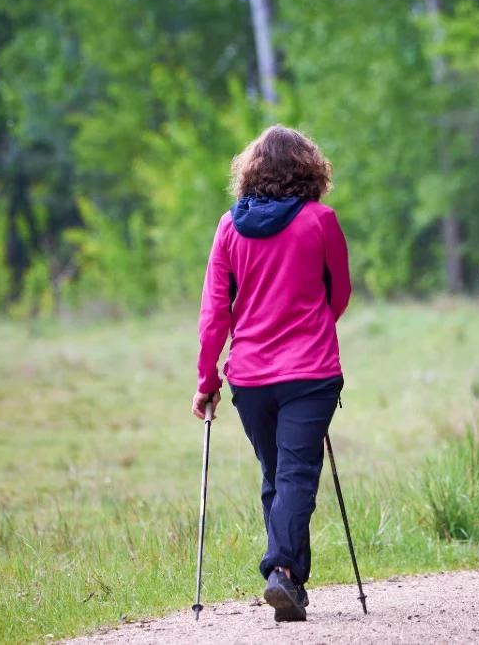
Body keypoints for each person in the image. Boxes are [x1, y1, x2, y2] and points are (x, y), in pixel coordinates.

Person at [192, 124, 351, 622]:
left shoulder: (227, 228)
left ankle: (289, 587)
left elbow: (215, 313)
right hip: (311, 372)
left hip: (251, 376)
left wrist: (207, 380)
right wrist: (312, 325)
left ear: (251, 172)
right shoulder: (320, 221)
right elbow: (339, 292)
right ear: (309, 169)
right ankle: (281, 570)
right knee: (296, 473)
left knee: (277, 474)